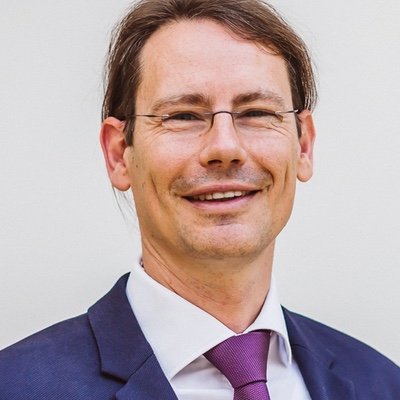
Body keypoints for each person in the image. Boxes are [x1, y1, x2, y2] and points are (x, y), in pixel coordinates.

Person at [0, 0, 399, 398]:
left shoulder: (382, 384)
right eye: (183, 116)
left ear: (304, 146)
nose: (225, 148)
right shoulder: (17, 386)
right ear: (119, 154)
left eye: (256, 112)